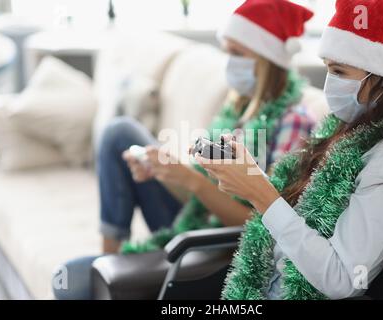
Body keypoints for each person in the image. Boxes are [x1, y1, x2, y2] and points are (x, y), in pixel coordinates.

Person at [53, 0, 316, 299]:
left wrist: (193, 180)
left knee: (68, 279)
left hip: (222, 246)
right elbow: (199, 196)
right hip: (193, 222)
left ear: (267, 59)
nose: (228, 62)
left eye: (237, 54)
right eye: (226, 51)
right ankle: (110, 265)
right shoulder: (237, 108)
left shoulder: (294, 121)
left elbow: (264, 227)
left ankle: (109, 277)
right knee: (120, 132)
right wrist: (166, 172)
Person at [198, 0, 383, 300]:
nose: (328, 84)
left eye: (339, 71)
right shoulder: (347, 129)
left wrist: (260, 194)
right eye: (328, 69)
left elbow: (342, 279)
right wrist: (253, 181)